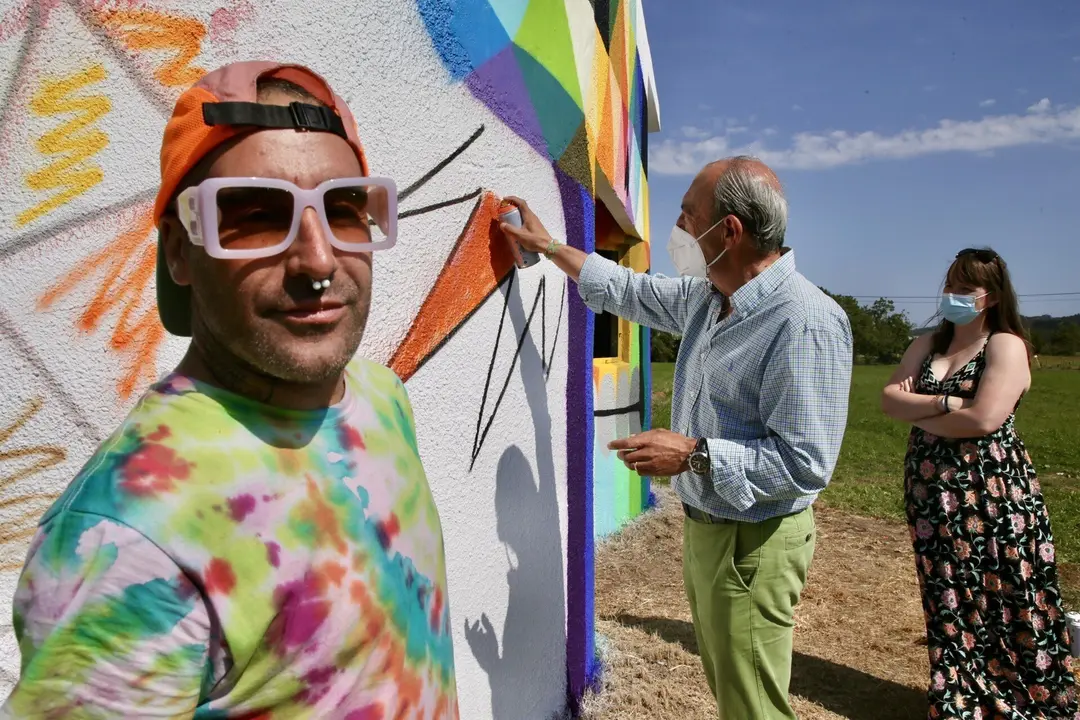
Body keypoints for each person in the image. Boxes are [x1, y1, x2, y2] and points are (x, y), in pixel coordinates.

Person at [1, 61, 458, 719]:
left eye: (345, 209)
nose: (319, 262)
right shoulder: (131, 536)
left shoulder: (380, 396)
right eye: (255, 216)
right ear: (181, 251)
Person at [500, 156, 853, 719]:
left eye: (689, 216)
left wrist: (693, 454)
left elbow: (805, 463)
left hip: (755, 542)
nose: (679, 229)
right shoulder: (709, 298)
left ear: (730, 230)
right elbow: (626, 290)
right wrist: (548, 247)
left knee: (754, 705)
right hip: (712, 531)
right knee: (733, 693)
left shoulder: (804, 321)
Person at [882, 247, 1077, 718]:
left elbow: (986, 418)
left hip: (992, 494)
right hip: (931, 496)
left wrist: (928, 405)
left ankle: (1019, 695)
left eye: (964, 288)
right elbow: (890, 399)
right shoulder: (927, 344)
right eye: (950, 283)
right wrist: (950, 405)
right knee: (948, 594)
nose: (952, 294)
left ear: (989, 296)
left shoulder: (1005, 344)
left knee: (1006, 591)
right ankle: (960, 694)